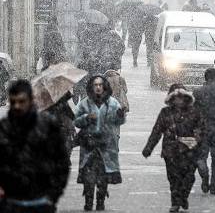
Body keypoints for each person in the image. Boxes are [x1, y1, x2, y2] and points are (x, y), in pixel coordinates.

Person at [0, 80, 70, 213]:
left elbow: (61, 163)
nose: (17, 106)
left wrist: (53, 194)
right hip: (12, 202)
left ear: (30, 100)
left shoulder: (47, 126)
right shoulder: (4, 128)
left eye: (22, 101)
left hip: (41, 201)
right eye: (13, 102)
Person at [143, 85, 205, 213]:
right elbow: (157, 131)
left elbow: (201, 130)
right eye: (176, 97)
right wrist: (149, 148)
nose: (178, 100)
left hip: (189, 150)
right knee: (173, 178)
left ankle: (183, 196)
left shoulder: (195, 112)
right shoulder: (165, 112)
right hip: (170, 151)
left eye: (181, 97)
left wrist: (196, 140)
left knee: (189, 177)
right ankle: (175, 202)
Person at [74, 75, 126, 211]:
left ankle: (101, 200)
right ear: (92, 87)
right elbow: (76, 120)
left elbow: (118, 122)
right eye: (95, 85)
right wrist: (86, 118)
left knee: (103, 176)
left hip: (106, 146)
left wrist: (120, 115)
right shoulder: (85, 103)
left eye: (100, 85)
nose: (98, 87)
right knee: (89, 177)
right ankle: (88, 200)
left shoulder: (113, 103)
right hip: (89, 145)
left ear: (104, 87)